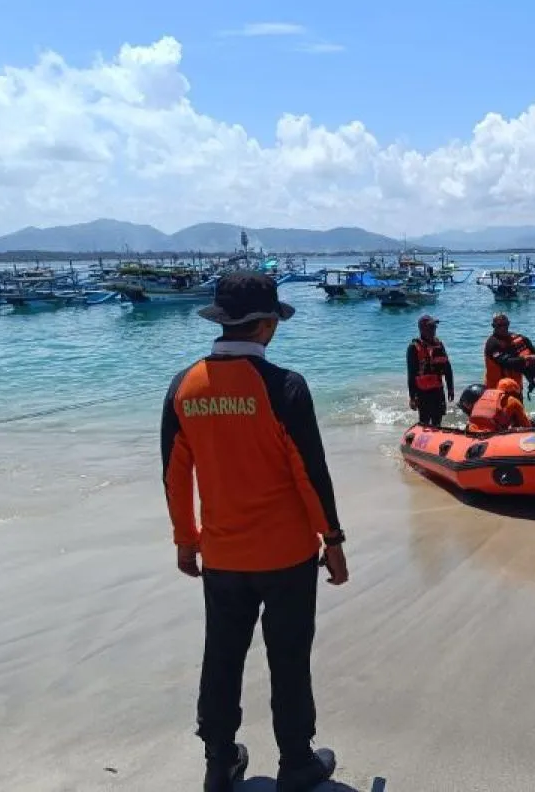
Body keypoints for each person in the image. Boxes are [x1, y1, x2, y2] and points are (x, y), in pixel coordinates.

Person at [159, 271, 348, 792]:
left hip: (221, 557)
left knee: (221, 655)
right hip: (286, 556)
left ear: (223, 322)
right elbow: (310, 473)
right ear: (266, 326)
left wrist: (185, 539)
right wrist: (332, 542)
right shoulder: (284, 387)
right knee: (289, 657)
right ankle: (295, 762)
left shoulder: (185, 386)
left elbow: (175, 475)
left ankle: (219, 763)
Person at [483, 312, 535, 399]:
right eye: (499, 325)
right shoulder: (492, 343)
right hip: (496, 389)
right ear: (493, 326)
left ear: (508, 324)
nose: (503, 327)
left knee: (517, 409)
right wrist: (525, 359)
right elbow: (505, 361)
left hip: (515, 387)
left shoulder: (518, 338)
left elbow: (532, 349)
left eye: (505, 324)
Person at [406, 314, 455, 427]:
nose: (434, 330)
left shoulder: (439, 345)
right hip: (422, 392)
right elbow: (411, 374)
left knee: (438, 420)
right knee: (425, 421)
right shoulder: (414, 347)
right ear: (422, 329)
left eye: (434, 327)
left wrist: (450, 388)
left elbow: (447, 368)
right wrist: (412, 397)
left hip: (438, 389)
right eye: (431, 327)